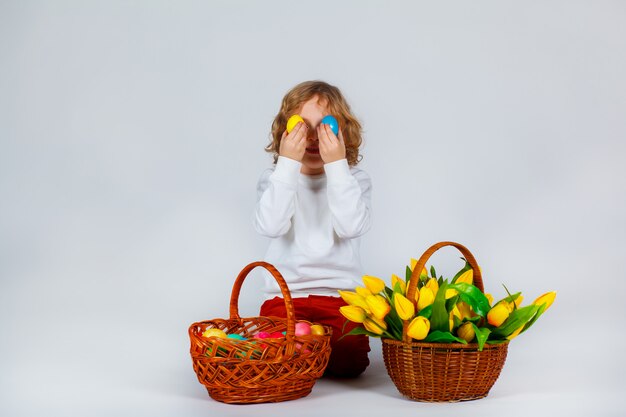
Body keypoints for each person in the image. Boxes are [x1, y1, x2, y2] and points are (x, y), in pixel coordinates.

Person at [253, 80, 372, 377]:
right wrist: (288, 165)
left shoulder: (354, 179)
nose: (314, 138)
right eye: (301, 127)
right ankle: (303, 356)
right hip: (285, 298)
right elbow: (270, 225)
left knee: (350, 362)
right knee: (275, 351)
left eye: (326, 127)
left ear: (343, 132)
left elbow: (351, 227)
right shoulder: (275, 179)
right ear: (285, 132)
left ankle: (308, 357)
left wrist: (337, 166)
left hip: (341, 299)